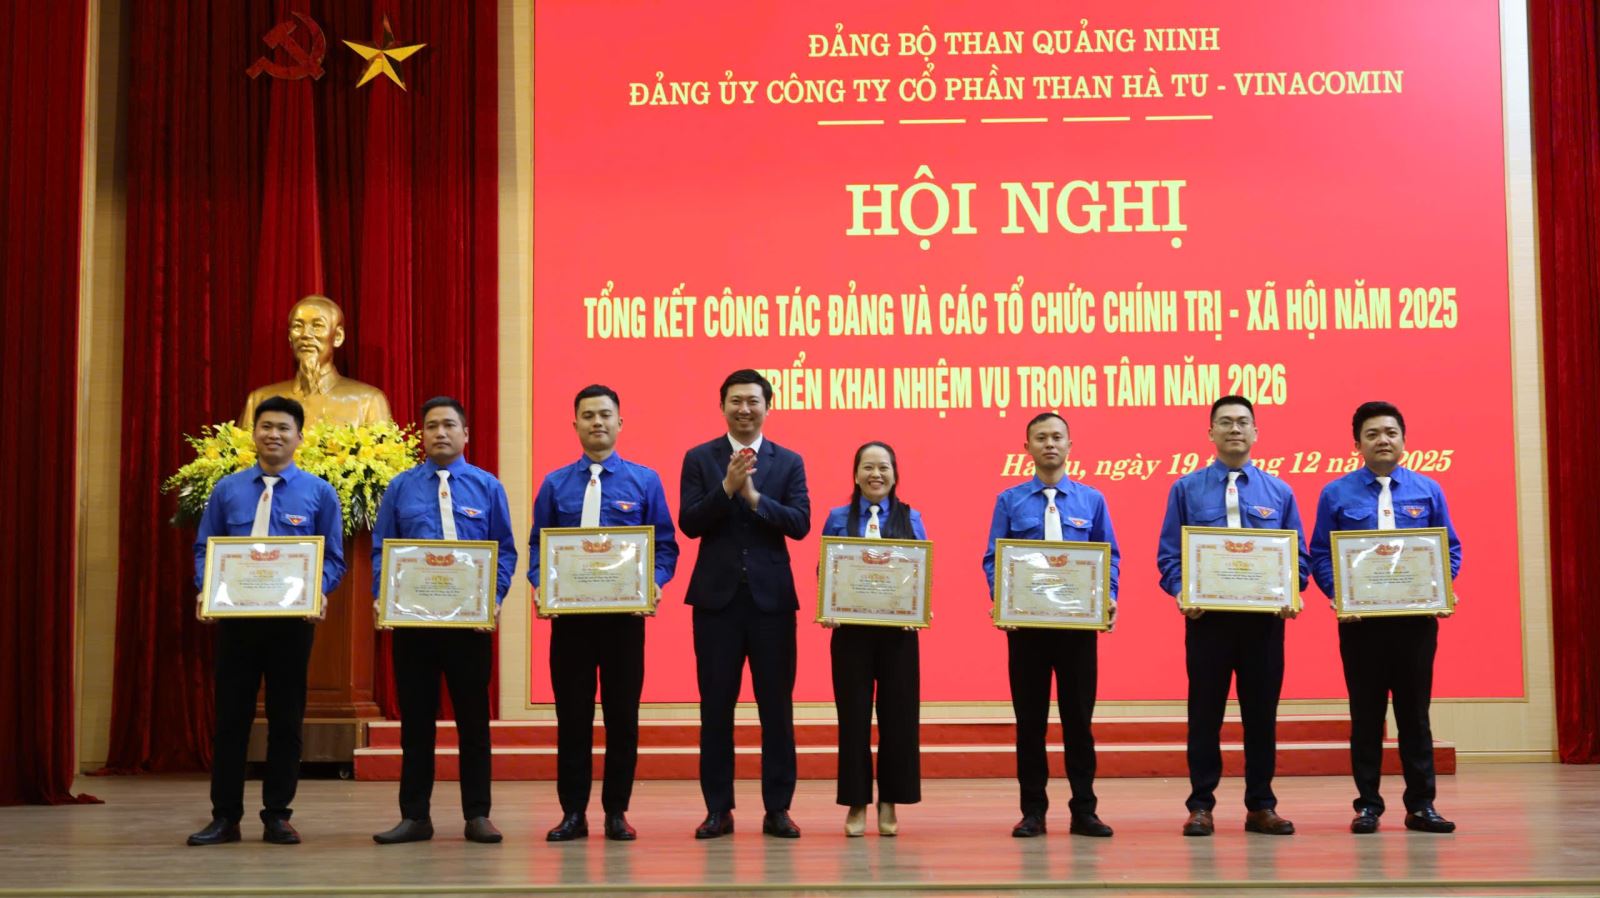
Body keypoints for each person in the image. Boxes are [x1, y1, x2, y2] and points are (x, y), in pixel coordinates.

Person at [187, 396, 345, 846]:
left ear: (299, 437)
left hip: (291, 625)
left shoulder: (319, 493)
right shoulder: (227, 490)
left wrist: (318, 590)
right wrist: (206, 587)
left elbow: (333, 558)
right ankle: (225, 817)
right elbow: (205, 548)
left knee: (286, 721)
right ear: (253, 433)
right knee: (231, 721)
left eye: (283, 428)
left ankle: (277, 815)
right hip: (237, 622)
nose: (274, 434)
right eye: (266, 426)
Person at [528, 384, 679, 841]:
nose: (597, 422)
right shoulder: (554, 484)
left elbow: (665, 545)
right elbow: (537, 546)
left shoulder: (644, 481)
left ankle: (617, 811)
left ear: (620, 422)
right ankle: (573, 813)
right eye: (589, 415)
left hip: (623, 623)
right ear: (574, 423)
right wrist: (540, 583)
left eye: (605, 415)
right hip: (571, 624)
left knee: (622, 718)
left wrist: (655, 581)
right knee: (572, 719)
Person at [1156, 395, 1308, 837]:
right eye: (1225, 422)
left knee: (1261, 716)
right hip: (1208, 621)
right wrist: (1182, 592)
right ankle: (1201, 805)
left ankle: (1261, 805)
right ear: (1211, 433)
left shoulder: (1279, 492)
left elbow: (1297, 557)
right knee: (1205, 715)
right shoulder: (1186, 489)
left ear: (1256, 432)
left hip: (1264, 623)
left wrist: (1290, 589)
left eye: (1243, 422)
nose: (1235, 429)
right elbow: (1170, 555)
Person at [370, 397, 518, 845]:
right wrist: (383, 596)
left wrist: (493, 599)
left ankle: (478, 815)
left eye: (449, 425)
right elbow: (382, 549)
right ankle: (415, 816)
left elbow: (505, 551)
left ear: (465, 434)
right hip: (414, 626)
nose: (440, 432)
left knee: (473, 723)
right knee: (416, 724)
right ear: (422, 434)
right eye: (432, 425)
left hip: (469, 626)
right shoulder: (400, 487)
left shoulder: (488, 487)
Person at [1309, 401, 1461, 834]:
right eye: (1372, 434)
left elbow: (1449, 549)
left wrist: (1439, 585)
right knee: (1366, 716)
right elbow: (1320, 553)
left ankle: (1422, 805)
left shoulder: (1428, 490)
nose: (1383, 440)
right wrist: (1339, 594)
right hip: (1361, 625)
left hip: (1415, 624)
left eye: (1391, 433)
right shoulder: (1335, 494)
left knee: (1415, 715)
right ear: (1356, 443)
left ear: (1404, 440)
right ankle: (1368, 806)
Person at [679, 369, 810, 839]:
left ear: (767, 407)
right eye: (735, 401)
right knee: (716, 709)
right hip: (716, 604)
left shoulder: (788, 461)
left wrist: (754, 499)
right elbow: (689, 523)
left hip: (772, 603)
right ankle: (718, 809)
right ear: (722, 407)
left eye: (753, 401)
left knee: (776, 710)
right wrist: (725, 490)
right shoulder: (700, 458)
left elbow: (800, 523)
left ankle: (778, 809)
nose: (744, 409)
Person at [982, 412, 1118, 839]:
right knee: (1030, 725)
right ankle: (1033, 812)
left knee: (1079, 723)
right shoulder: (1009, 501)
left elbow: (1109, 556)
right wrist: (1003, 598)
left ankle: (1085, 811)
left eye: (1057, 437)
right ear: (1027, 448)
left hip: (1077, 631)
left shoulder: (1092, 500)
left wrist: (1108, 595)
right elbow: (994, 559)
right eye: (1041, 438)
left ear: (1070, 445)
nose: (1050, 444)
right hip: (1028, 632)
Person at [820, 441, 926, 837]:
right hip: (851, 636)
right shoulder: (837, 517)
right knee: (853, 720)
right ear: (855, 474)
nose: (875, 474)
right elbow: (825, 568)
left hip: (898, 637)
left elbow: (921, 569)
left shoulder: (911, 517)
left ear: (895, 475)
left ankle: (889, 801)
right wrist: (828, 603)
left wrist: (919, 607)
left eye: (883, 467)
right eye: (868, 467)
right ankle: (856, 802)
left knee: (898, 720)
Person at [239, 295, 393, 427]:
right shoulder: (260, 400)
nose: (306, 334)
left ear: (338, 337)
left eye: (317, 326)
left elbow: (385, 452)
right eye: (298, 326)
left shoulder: (368, 401)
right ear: (290, 338)